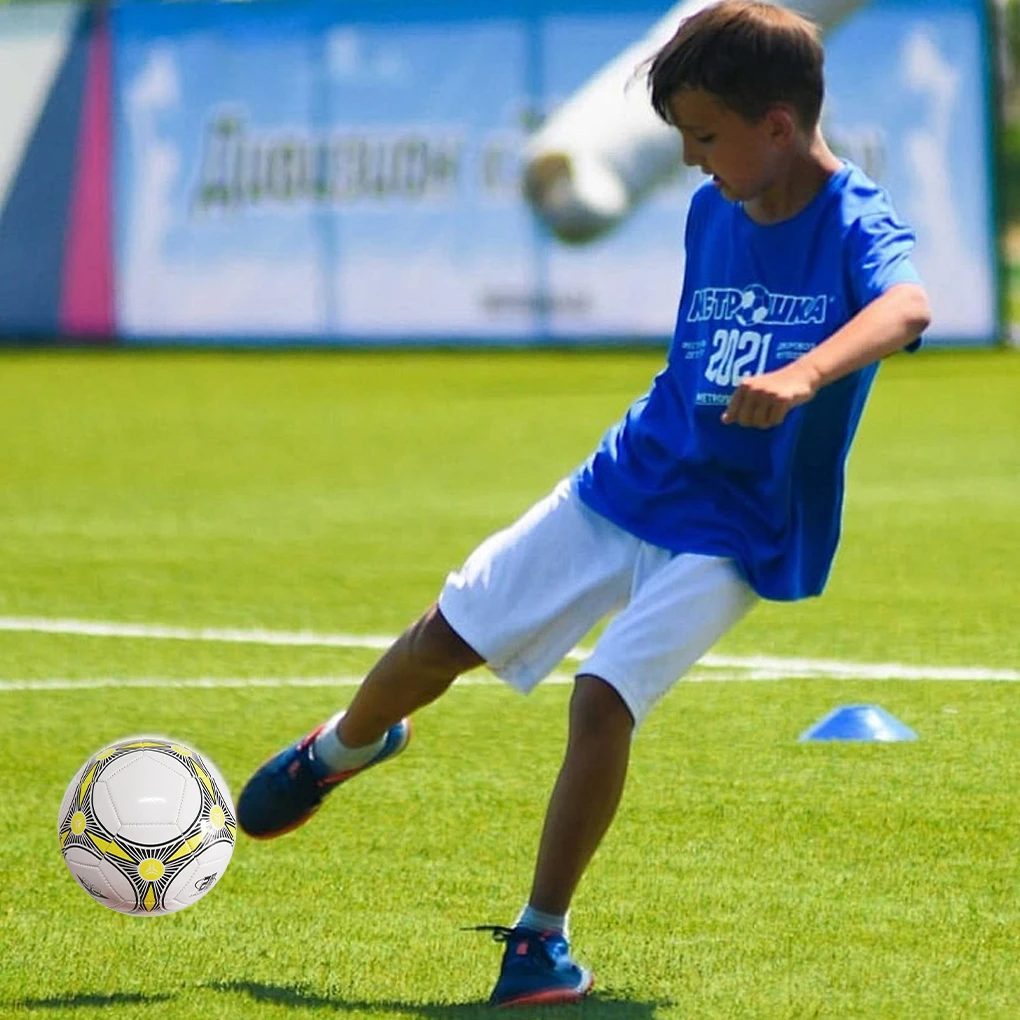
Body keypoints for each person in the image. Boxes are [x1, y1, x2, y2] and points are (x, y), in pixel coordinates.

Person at [237, 0, 931, 1007]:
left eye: (703, 137)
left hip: (736, 529)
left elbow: (907, 305)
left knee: (601, 698)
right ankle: (345, 746)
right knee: (443, 637)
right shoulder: (716, 208)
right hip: (630, 476)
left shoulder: (858, 220)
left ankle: (538, 943)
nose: (692, 163)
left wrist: (805, 375)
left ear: (777, 126)